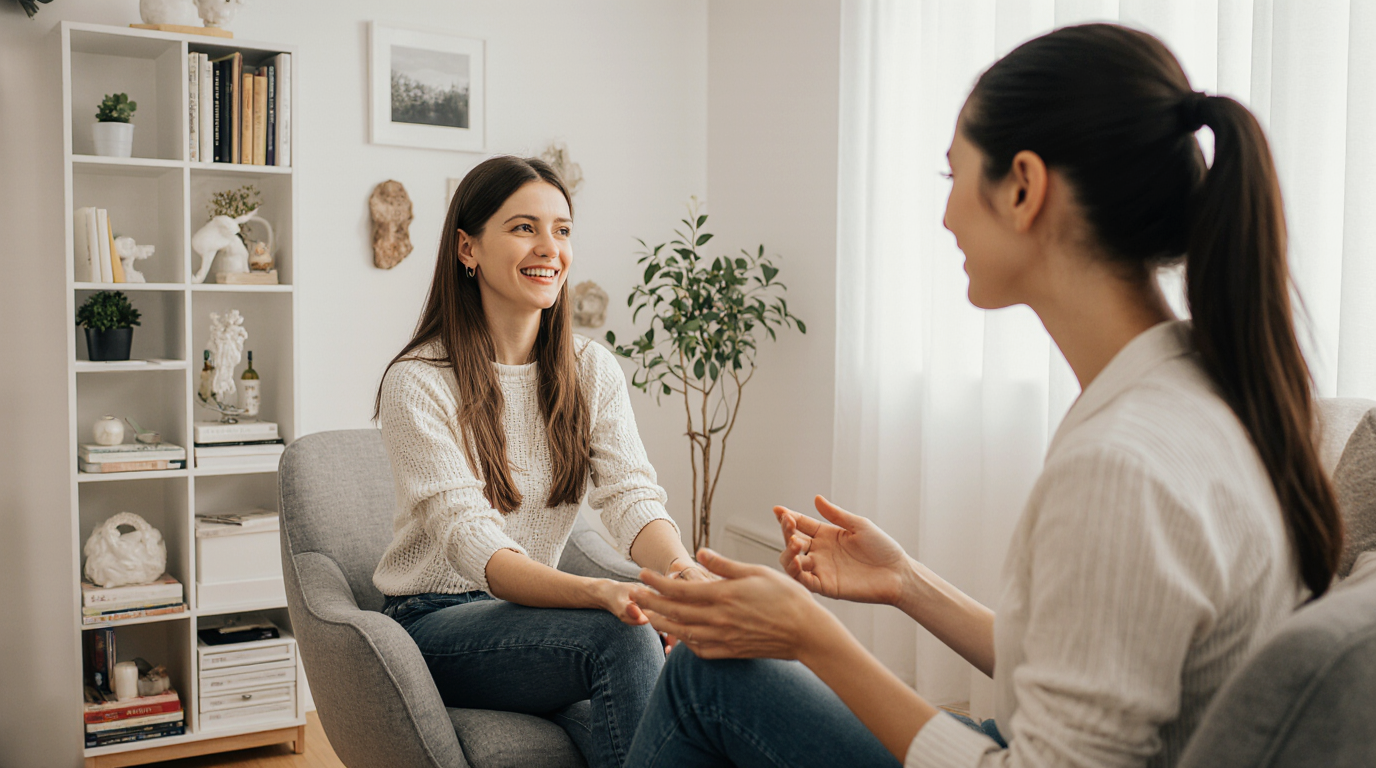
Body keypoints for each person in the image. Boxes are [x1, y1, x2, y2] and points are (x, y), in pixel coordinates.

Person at [624, 23, 1344, 768]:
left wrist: (814, 636)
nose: (945, 216)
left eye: (952, 178)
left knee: (700, 680)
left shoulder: (1123, 463)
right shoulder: (1200, 390)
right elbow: (1092, 671)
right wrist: (907, 582)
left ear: (1025, 187)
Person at [371, 156, 706, 768]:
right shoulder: (418, 381)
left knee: (693, 643)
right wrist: (600, 593)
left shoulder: (592, 370)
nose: (550, 247)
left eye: (563, 229)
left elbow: (632, 498)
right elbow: (478, 548)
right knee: (624, 634)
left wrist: (682, 576)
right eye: (524, 227)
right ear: (467, 248)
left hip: (529, 614)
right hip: (434, 624)